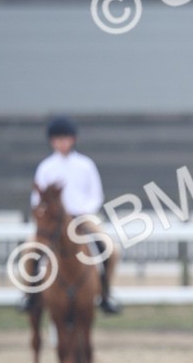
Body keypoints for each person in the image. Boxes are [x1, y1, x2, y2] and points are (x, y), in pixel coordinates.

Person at [21, 116, 120, 314]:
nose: (61, 143)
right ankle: (29, 295)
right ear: (52, 141)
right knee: (28, 251)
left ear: (73, 139)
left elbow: (96, 195)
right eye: (57, 139)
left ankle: (105, 294)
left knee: (112, 250)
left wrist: (81, 212)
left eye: (65, 138)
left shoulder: (85, 165)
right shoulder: (46, 167)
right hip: (52, 223)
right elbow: (37, 199)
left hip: (82, 219)